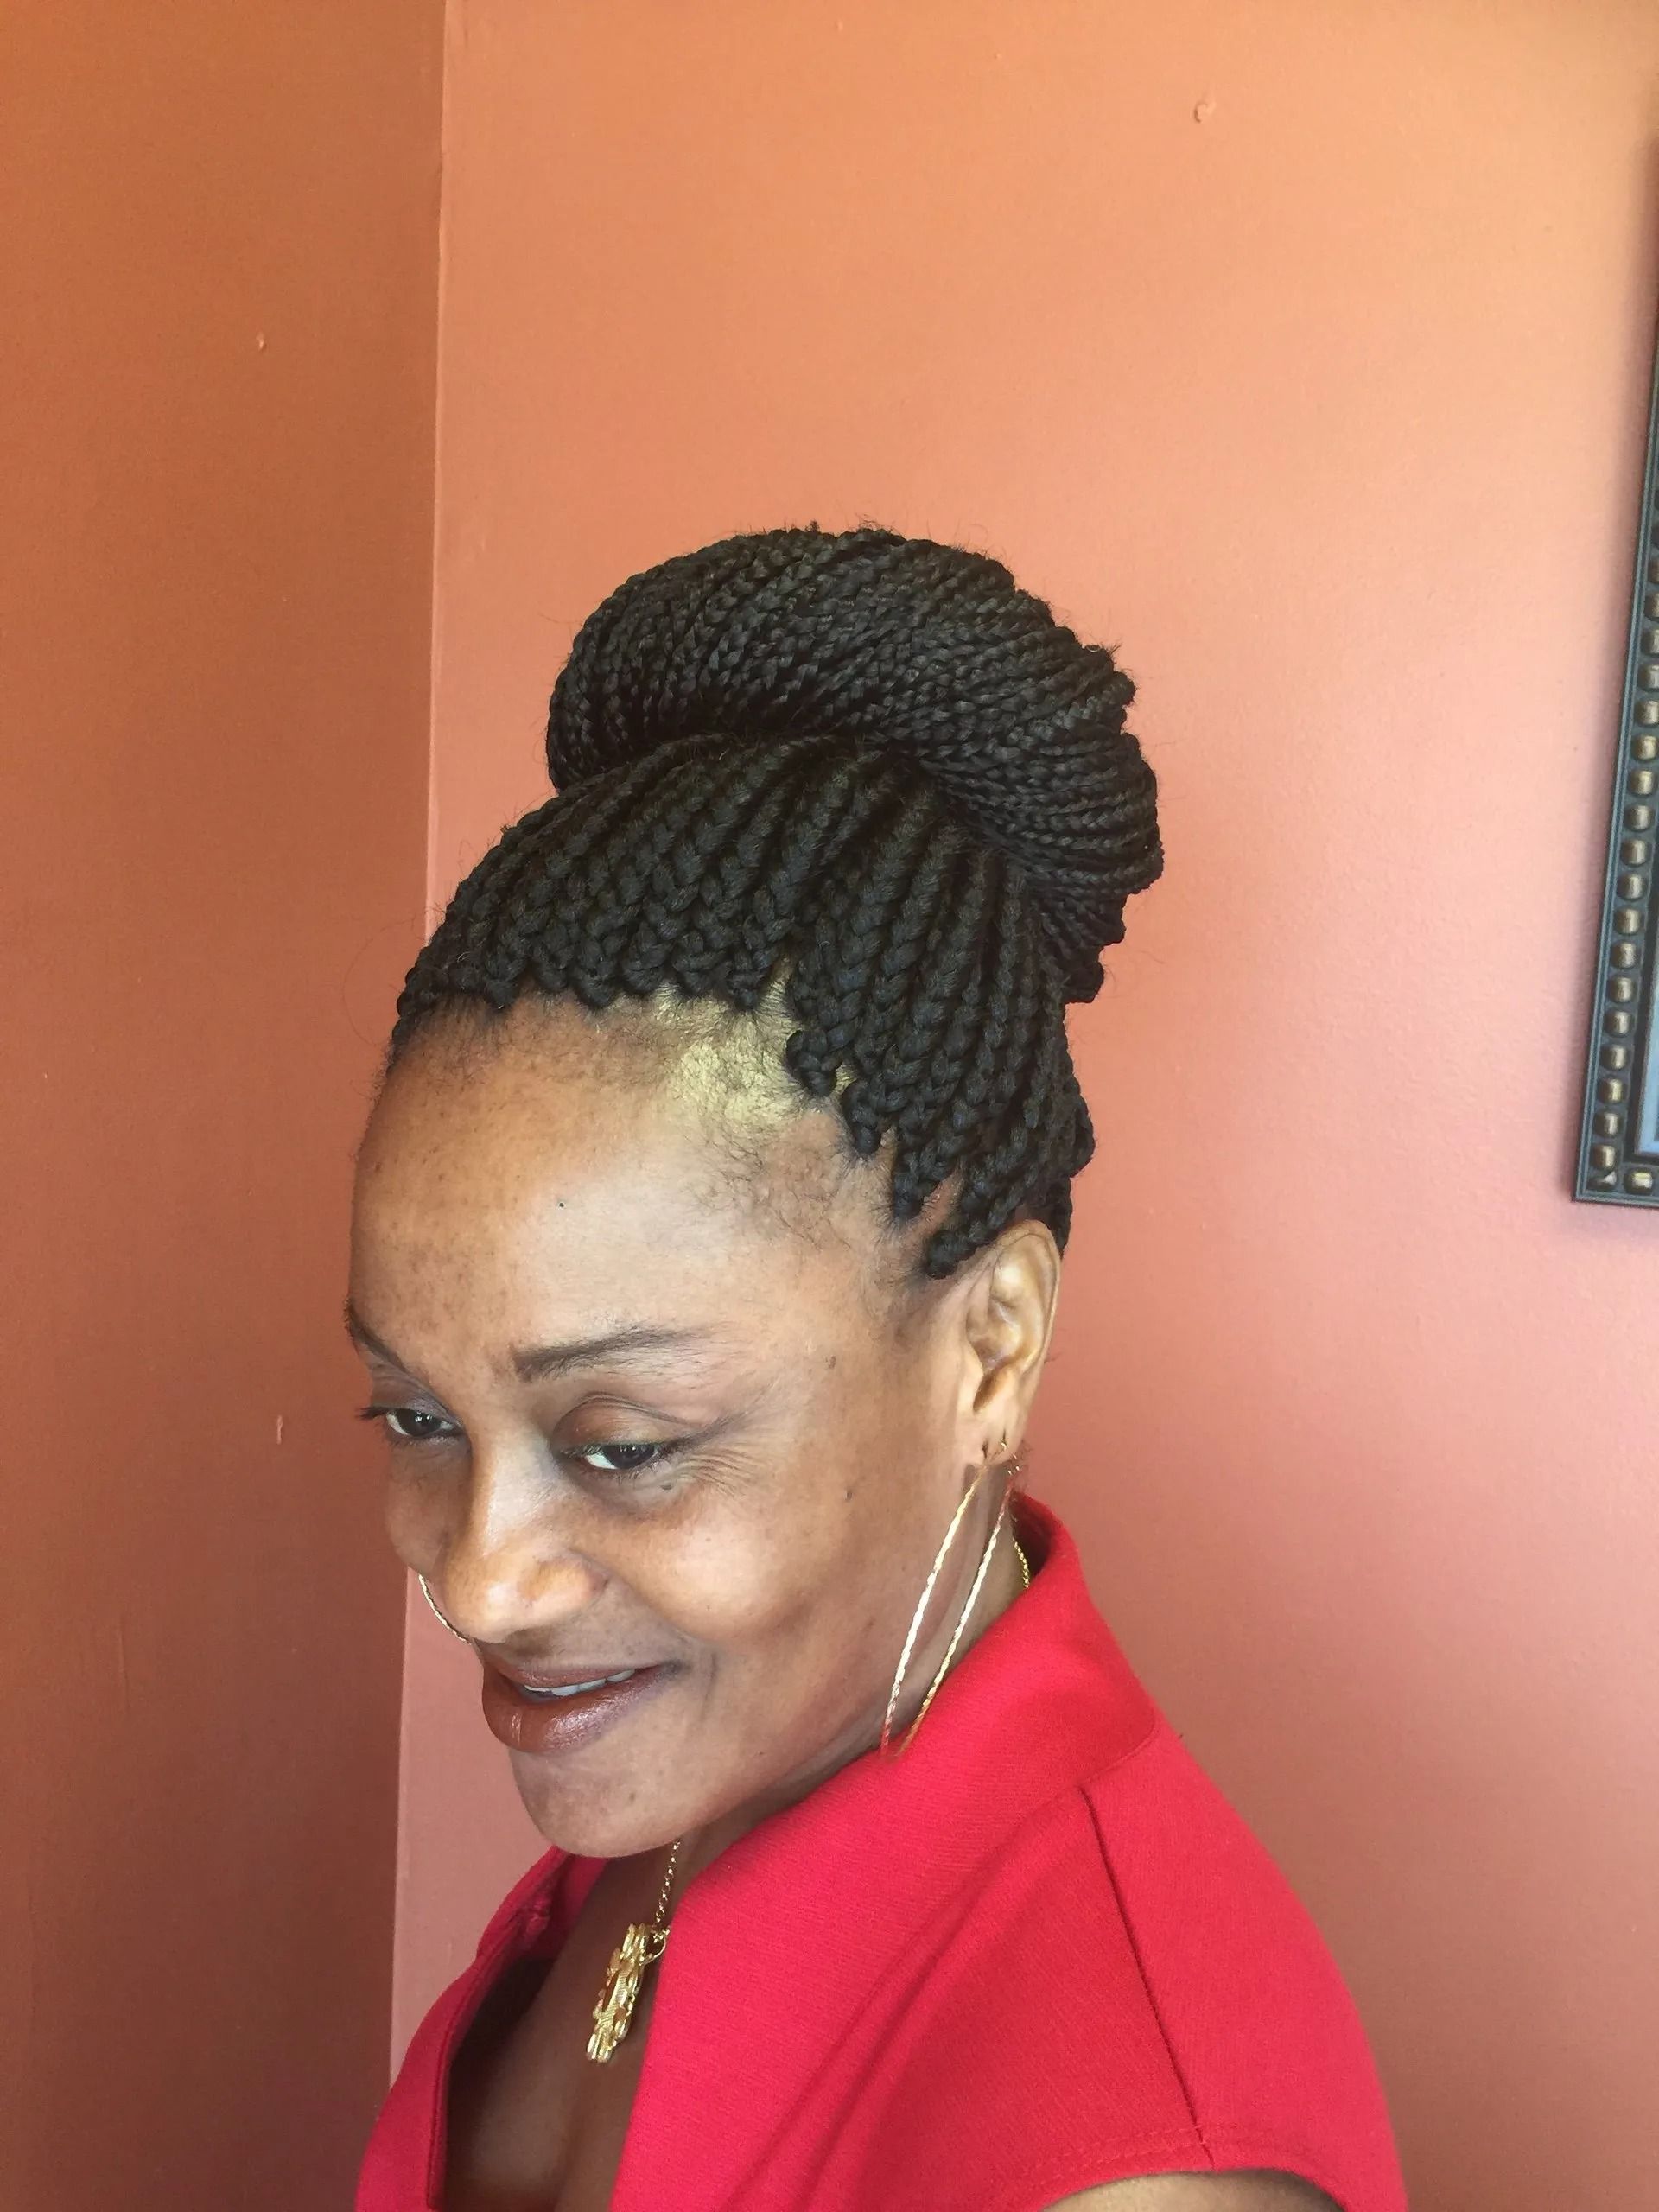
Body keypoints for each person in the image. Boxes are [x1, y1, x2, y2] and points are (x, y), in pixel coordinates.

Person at [349, 527, 1406, 2212]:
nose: (477, 1576)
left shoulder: (1130, 2160)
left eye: (622, 1440)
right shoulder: (729, 1744)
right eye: (416, 1412)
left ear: (990, 1347)